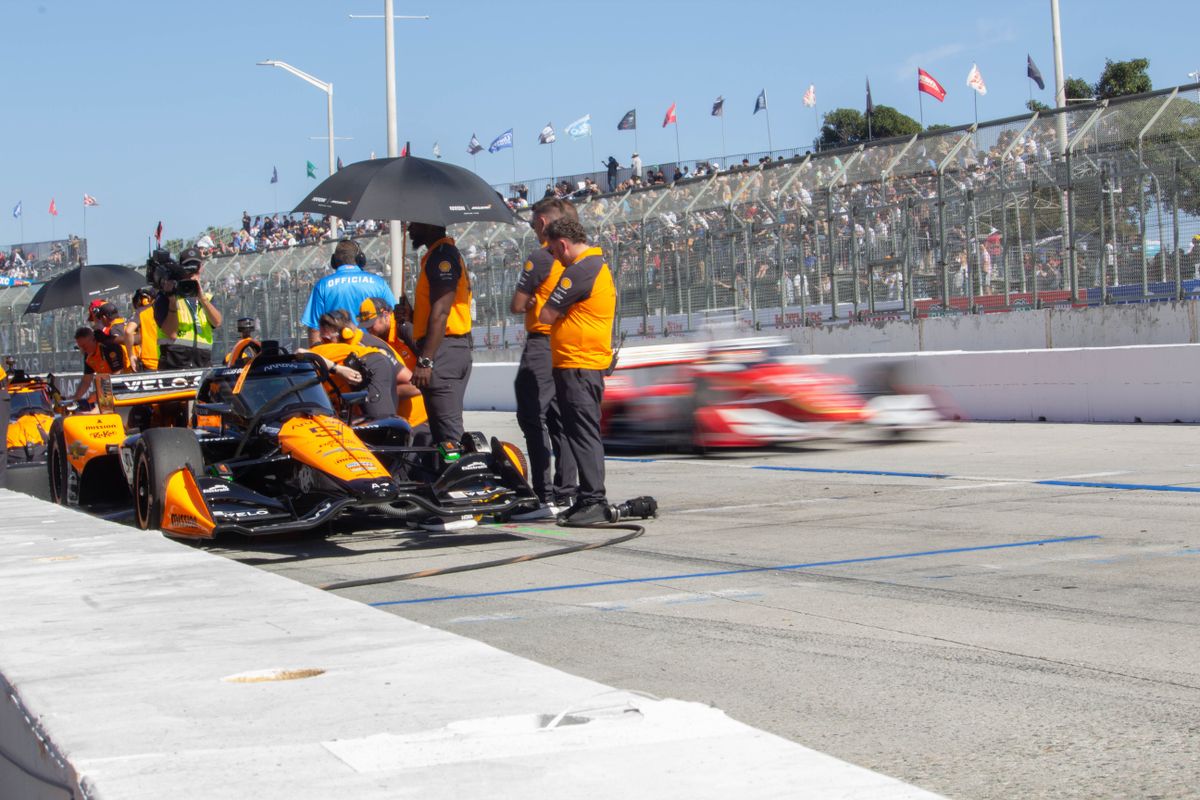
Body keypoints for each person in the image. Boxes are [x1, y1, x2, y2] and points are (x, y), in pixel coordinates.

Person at [538, 217, 617, 526]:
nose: (556, 259)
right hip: (578, 364)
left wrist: (555, 309)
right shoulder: (590, 266)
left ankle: (595, 499)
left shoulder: (581, 269)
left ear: (563, 244)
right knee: (577, 432)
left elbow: (546, 314)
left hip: (579, 364)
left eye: (556, 253)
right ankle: (587, 497)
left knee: (583, 434)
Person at [509, 198, 579, 519]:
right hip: (564, 341)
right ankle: (566, 492)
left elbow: (517, 304)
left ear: (541, 223)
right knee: (558, 420)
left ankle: (544, 494)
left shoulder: (540, 256)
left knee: (531, 416)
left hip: (540, 343)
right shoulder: (575, 257)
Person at [408, 222, 472, 445]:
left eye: (413, 222)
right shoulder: (436, 255)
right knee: (441, 436)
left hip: (443, 351)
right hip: (446, 348)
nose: (408, 228)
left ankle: (464, 478)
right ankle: (448, 476)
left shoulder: (442, 257)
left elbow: (442, 311)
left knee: (449, 436)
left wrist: (425, 361)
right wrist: (412, 315)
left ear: (427, 224)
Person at [301, 310, 398, 422]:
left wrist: (337, 369)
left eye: (326, 339)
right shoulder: (354, 346)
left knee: (381, 426)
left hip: (374, 367)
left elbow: (300, 352)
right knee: (387, 423)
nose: (325, 342)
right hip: (381, 365)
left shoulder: (322, 351)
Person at [358, 297, 429, 443]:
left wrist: (385, 390)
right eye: (366, 326)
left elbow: (427, 378)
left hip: (421, 418)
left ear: (385, 315)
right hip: (401, 419)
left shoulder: (406, 331)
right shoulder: (375, 342)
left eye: (372, 324)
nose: (370, 329)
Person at [301, 239, 395, 345]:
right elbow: (391, 318)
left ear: (334, 261)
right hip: (373, 351)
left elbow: (314, 329)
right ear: (361, 259)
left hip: (338, 354)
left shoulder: (323, 285)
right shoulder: (379, 283)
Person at [154, 247, 222, 368]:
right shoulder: (166, 296)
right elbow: (171, 333)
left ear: (201, 268)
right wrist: (172, 300)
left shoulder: (207, 297)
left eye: (195, 268)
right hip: (174, 362)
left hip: (202, 362)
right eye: (187, 269)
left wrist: (201, 297)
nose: (191, 274)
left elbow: (217, 322)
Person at [71, 326, 123, 407]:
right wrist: (75, 398)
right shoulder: (88, 355)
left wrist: (98, 394)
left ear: (93, 340)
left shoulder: (108, 347)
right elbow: (86, 381)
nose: (83, 350)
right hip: (109, 388)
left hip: (125, 384)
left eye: (84, 346)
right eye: (80, 347)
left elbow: (118, 375)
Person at [95, 302, 136, 373]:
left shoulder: (114, 329)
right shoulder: (126, 324)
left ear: (104, 317)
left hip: (129, 368)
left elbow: (118, 349)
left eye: (100, 318)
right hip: (137, 362)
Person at [131, 288, 158, 371]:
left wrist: (130, 355)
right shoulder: (163, 309)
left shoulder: (142, 313)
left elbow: (129, 332)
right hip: (165, 358)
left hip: (150, 361)